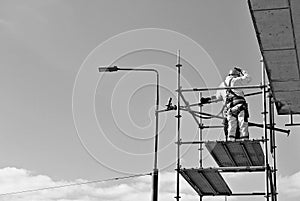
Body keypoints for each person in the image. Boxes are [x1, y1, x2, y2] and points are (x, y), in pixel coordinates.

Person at [201, 67, 251, 141]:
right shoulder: (236, 80)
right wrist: (243, 71)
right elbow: (248, 78)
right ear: (236, 75)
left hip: (230, 109)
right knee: (242, 124)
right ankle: (245, 140)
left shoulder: (222, 85)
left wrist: (207, 100)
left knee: (231, 126)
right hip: (240, 106)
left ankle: (231, 140)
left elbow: (217, 97)